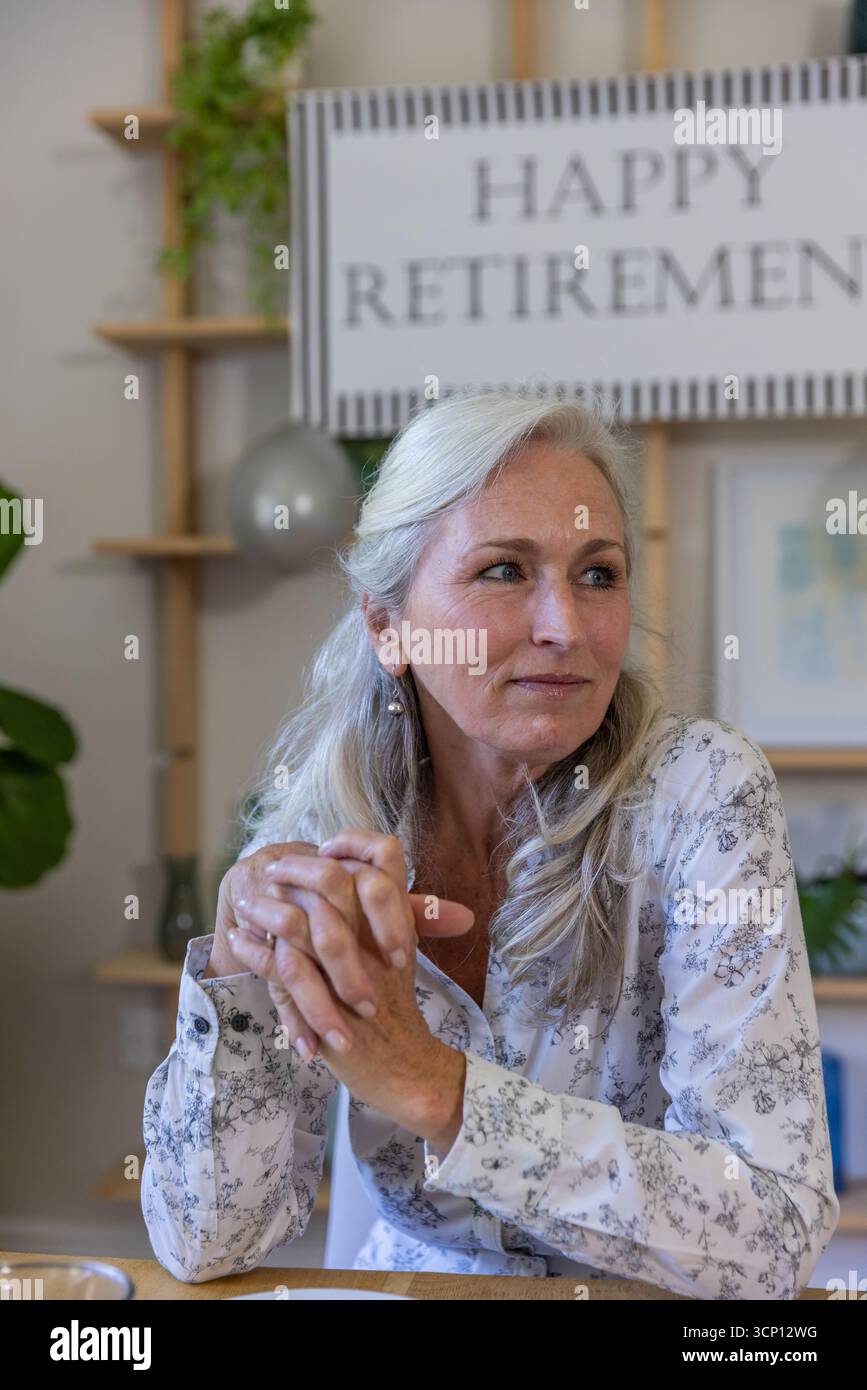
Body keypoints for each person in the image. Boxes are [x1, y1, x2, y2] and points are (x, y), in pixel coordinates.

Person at [141, 389, 839, 1298]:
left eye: (598, 574)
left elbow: (774, 1232)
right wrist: (240, 991)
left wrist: (436, 1090)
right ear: (387, 625)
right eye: (504, 571)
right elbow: (205, 1242)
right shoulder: (322, 833)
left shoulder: (702, 795)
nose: (566, 627)